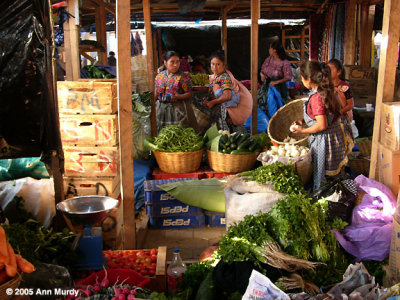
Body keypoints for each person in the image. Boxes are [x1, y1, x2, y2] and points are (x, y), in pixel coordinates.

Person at [292, 60, 351, 191]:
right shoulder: (325, 89)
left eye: (302, 78)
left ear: (308, 79)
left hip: (325, 140)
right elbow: (322, 114)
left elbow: (322, 124)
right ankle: (337, 195)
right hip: (334, 136)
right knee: (335, 177)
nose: (301, 81)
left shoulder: (316, 97)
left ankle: (326, 198)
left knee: (324, 177)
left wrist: (302, 130)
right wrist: (303, 120)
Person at [202, 50, 252, 132]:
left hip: (235, 108)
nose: (214, 67)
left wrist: (212, 102)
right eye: (212, 64)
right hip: (228, 104)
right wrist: (209, 101)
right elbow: (217, 94)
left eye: (218, 64)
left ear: (224, 65)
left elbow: (227, 96)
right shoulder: (216, 76)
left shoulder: (224, 77)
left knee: (216, 110)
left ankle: (223, 133)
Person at [154, 51, 199, 133]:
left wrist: (179, 96)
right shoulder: (159, 76)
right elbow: (156, 92)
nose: (175, 65)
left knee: (179, 134)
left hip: (178, 110)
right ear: (165, 62)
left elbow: (190, 93)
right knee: (163, 134)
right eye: (172, 62)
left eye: (177, 62)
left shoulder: (183, 77)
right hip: (162, 110)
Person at [259, 39, 292, 112]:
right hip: (268, 85)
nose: (269, 50)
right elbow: (262, 70)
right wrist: (262, 75)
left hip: (279, 87)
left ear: (274, 50)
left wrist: (276, 82)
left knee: (278, 105)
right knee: (265, 104)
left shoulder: (285, 63)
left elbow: (288, 77)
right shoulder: (269, 59)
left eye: (270, 48)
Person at [328, 58, 358, 140]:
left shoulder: (345, 87)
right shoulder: (327, 86)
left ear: (339, 72)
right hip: (331, 118)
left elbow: (351, 104)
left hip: (343, 118)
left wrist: (340, 112)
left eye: (331, 69)